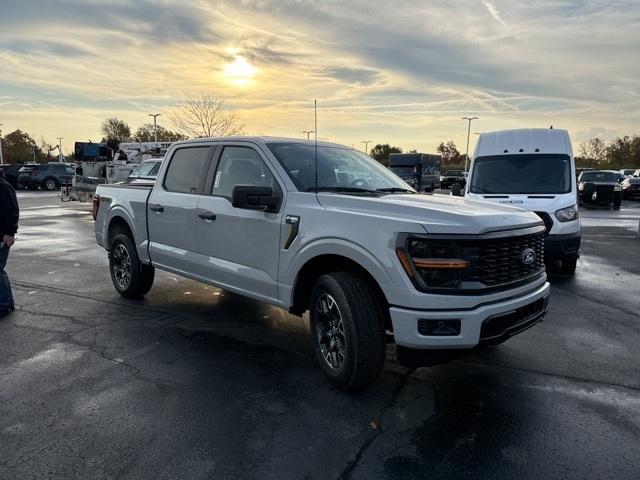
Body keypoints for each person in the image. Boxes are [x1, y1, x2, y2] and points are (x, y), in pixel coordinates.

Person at [0, 175, 19, 317]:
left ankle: (4, 305)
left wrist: (10, 233)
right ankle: (8, 303)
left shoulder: (4, 187)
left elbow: (13, 211)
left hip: (3, 235)